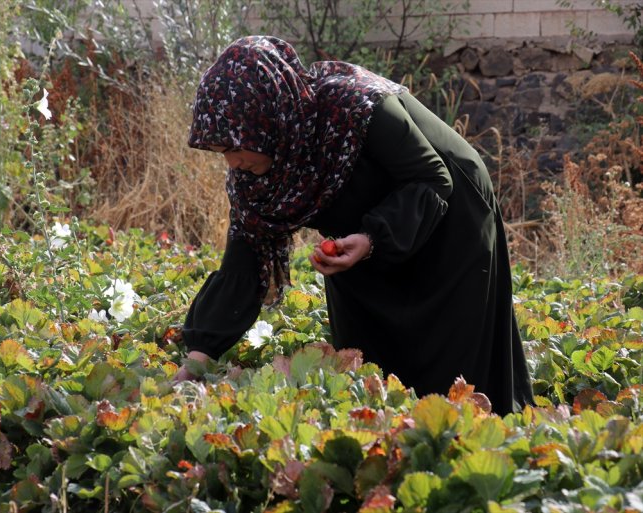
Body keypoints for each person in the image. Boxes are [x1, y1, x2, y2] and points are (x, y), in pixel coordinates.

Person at [174, 35, 533, 416]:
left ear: (268, 118)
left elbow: (432, 179)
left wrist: (373, 237)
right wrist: (198, 359)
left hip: (449, 214)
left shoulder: (353, 103)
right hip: (361, 237)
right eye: (220, 152)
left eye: (235, 146)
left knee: (452, 373)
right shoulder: (254, 173)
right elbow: (242, 263)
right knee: (368, 368)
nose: (231, 162)